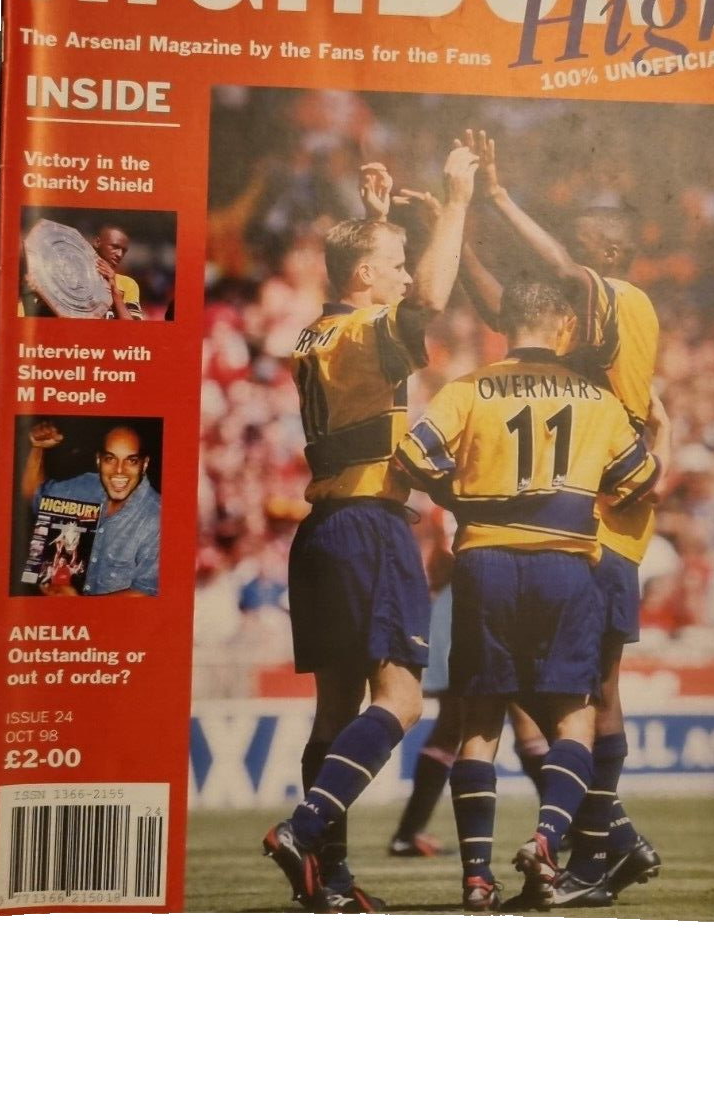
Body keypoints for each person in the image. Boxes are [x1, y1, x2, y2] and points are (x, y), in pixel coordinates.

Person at [395, 275, 660, 911]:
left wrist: (460, 497)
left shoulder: (468, 389)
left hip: (485, 561)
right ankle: (546, 838)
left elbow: (410, 460)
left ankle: (476, 880)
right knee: (575, 715)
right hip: (564, 564)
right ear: (564, 327)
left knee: (480, 721)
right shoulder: (596, 397)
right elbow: (637, 480)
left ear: (504, 326)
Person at [261, 143, 479, 913]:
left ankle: (330, 881)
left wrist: (374, 225)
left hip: (322, 532)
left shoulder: (314, 333)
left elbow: (365, 291)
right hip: (367, 524)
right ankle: (303, 830)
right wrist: (457, 202)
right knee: (403, 700)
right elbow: (428, 299)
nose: (406, 274)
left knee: (334, 710)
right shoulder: (361, 336)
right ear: (364, 276)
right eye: (394, 264)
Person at [457, 131, 669, 900]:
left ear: (606, 252)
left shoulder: (623, 301)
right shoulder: (582, 330)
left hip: (603, 519)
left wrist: (498, 196)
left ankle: (593, 862)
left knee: (591, 692)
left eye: (576, 245)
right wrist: (458, 225)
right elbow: (508, 311)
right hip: (568, 523)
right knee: (542, 690)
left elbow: (558, 274)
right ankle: (613, 840)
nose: (560, 259)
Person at [21, 421, 161, 596]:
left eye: (131, 461)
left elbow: (146, 595)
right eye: (110, 459)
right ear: (98, 460)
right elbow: (35, 495)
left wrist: (79, 605)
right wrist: (37, 448)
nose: (119, 470)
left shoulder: (158, 517)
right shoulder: (86, 486)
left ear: (144, 464)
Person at [92, 223, 144, 319]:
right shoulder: (76, 276)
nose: (119, 254)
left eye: (124, 251)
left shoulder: (128, 284)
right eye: (115, 247)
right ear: (97, 242)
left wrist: (114, 288)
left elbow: (132, 327)